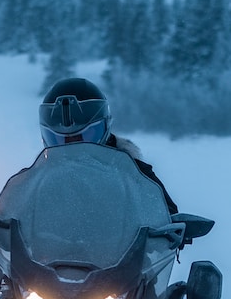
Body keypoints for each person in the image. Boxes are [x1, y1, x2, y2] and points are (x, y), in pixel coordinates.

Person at [38, 77, 178, 214]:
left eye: (85, 137)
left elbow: (169, 218)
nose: (73, 146)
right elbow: (18, 210)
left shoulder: (134, 175)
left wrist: (171, 230)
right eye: (60, 139)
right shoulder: (35, 183)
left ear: (105, 128)